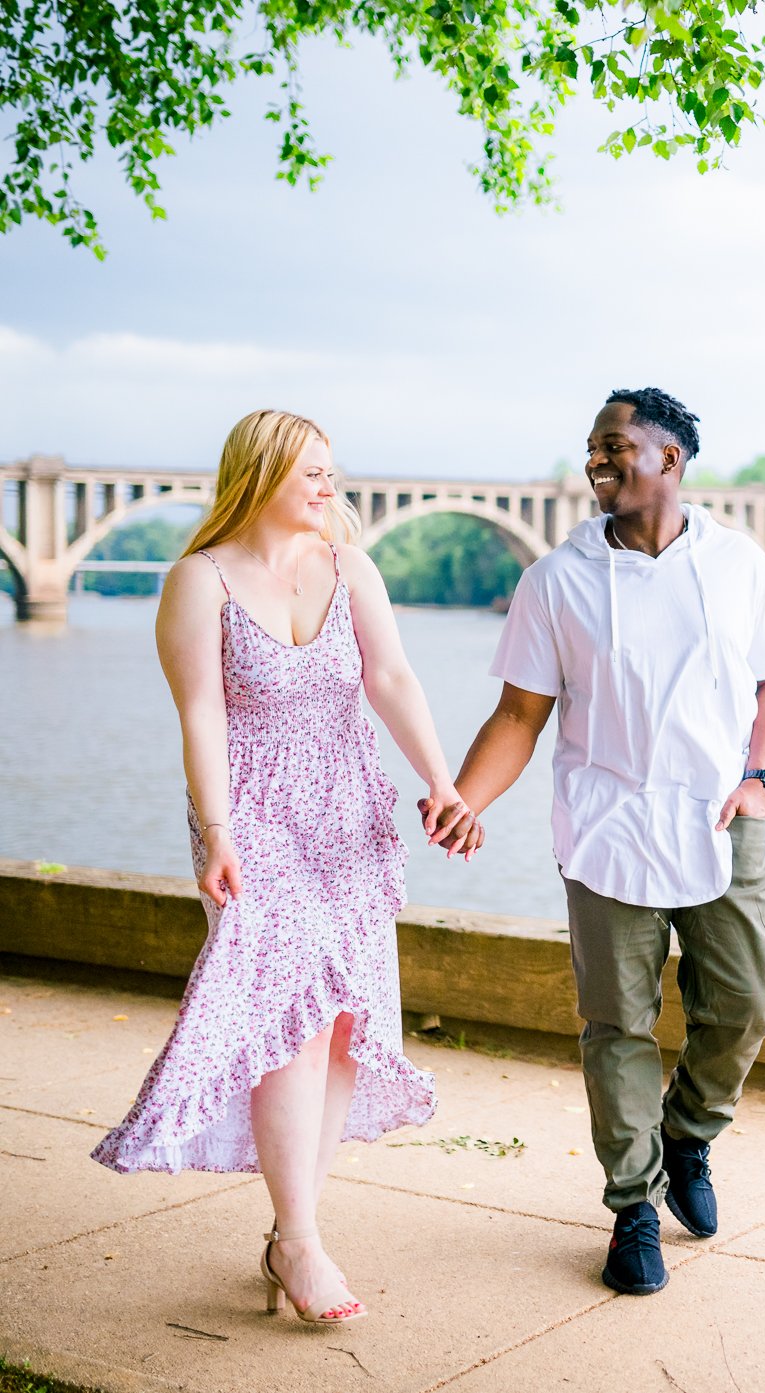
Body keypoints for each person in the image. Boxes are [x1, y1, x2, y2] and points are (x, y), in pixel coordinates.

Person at [93, 408, 477, 1324]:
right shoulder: (201, 581)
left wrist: (439, 781)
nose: (327, 486)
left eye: (331, 471)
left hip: (346, 810)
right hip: (253, 813)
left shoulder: (352, 567)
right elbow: (202, 715)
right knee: (290, 1015)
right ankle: (300, 1241)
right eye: (310, 471)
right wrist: (217, 828)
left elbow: (391, 680)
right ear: (259, 474)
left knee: (341, 1017)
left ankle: (289, 1228)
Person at [422, 387, 765, 1296]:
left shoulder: (738, 564)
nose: (596, 459)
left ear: (669, 458)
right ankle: (633, 1208)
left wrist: (759, 779)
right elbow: (519, 712)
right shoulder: (556, 579)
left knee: (747, 1001)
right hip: (604, 824)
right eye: (591, 445)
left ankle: (688, 1134)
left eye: (615, 444)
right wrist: (464, 798)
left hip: (718, 816)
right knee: (616, 1024)